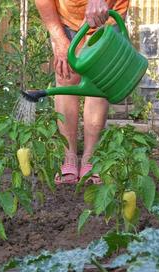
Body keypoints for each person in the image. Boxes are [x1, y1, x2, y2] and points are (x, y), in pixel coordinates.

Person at [35, 0, 129, 184]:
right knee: (65, 75)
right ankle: (69, 156)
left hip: (107, 12)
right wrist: (59, 39)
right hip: (68, 16)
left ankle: (90, 158)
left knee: (98, 81)